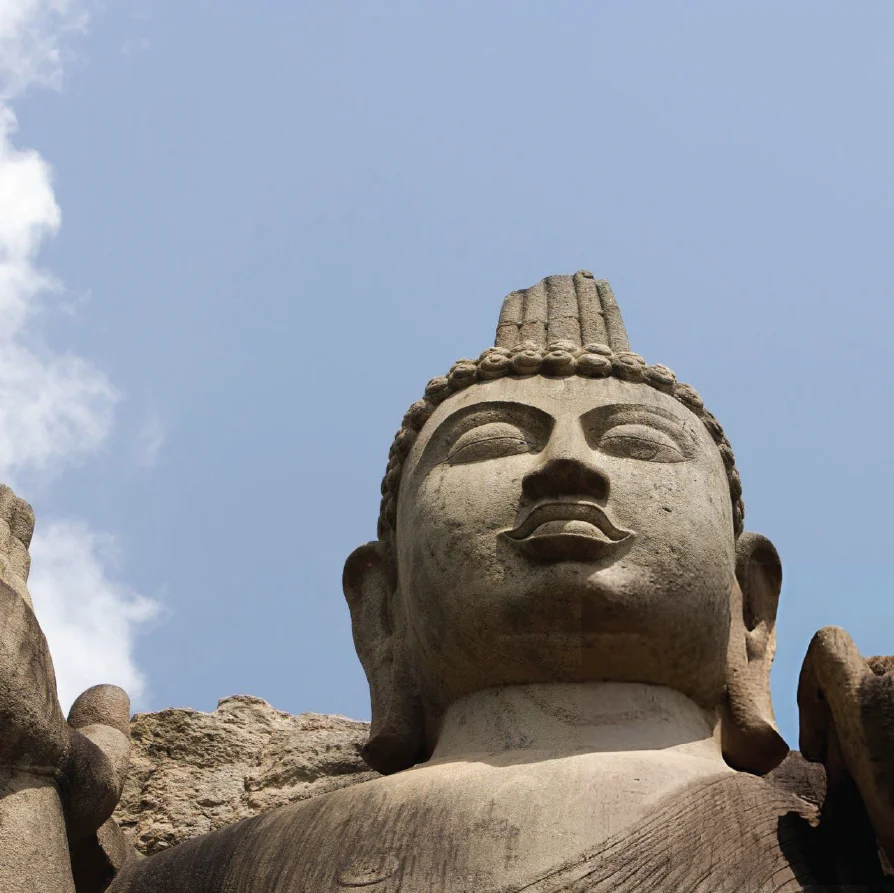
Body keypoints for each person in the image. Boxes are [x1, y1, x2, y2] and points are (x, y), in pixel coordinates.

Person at [2, 272, 892, 892]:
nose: (566, 467)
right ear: (380, 611)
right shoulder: (208, 874)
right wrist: (24, 781)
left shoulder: (837, 831)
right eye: (494, 443)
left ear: (752, 605)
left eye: (636, 444)